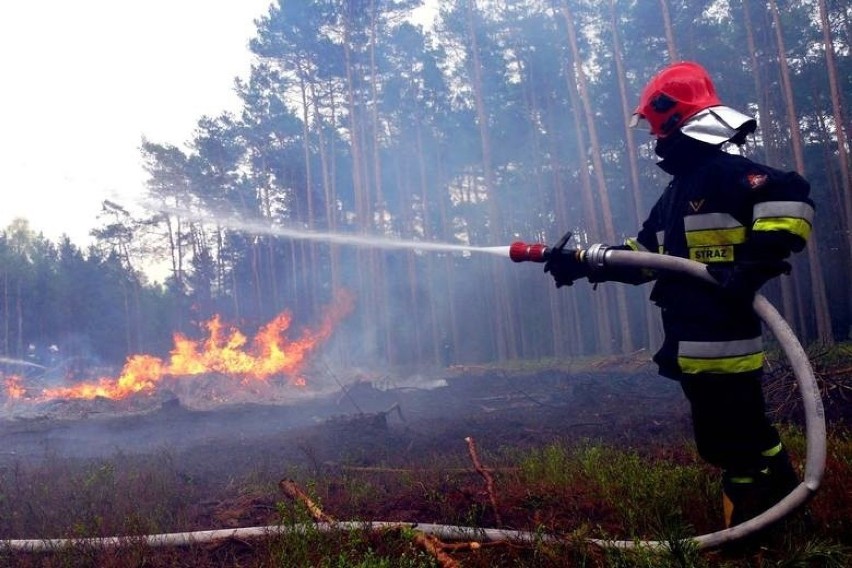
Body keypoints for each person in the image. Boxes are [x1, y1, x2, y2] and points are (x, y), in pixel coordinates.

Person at [543, 61, 814, 528]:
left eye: (655, 127)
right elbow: (644, 254)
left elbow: (791, 201)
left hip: (723, 339)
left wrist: (750, 267)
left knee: (735, 440)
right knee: (740, 436)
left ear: (674, 118)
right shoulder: (676, 193)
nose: (653, 138)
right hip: (692, 339)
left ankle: (755, 526)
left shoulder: (730, 174)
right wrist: (584, 263)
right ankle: (785, 511)